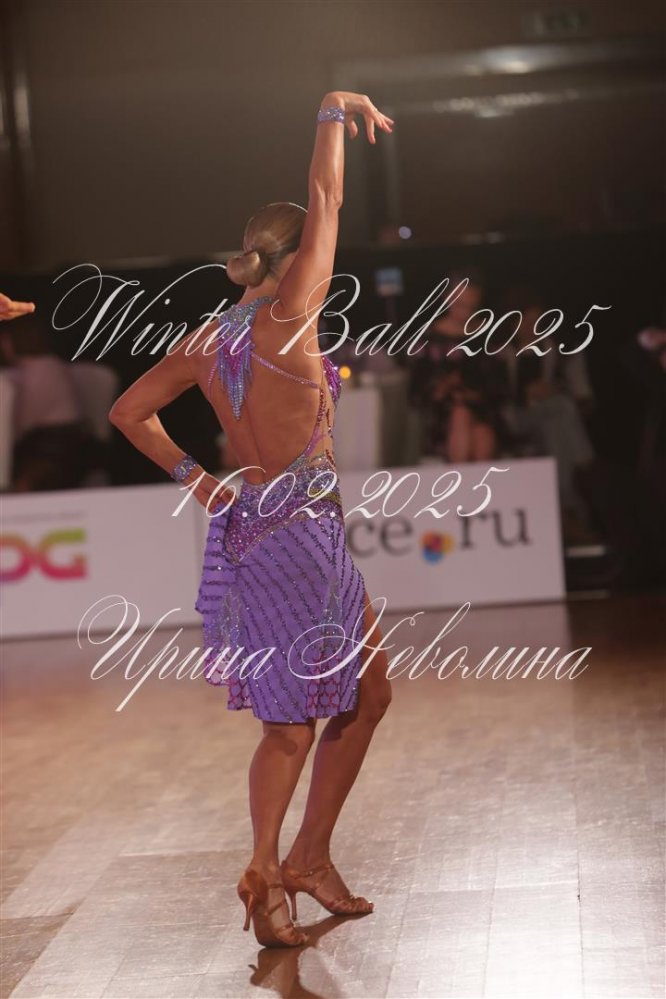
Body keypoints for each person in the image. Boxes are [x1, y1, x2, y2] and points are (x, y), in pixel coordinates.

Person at [108, 91, 395, 949]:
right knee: (308, 718)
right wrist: (333, 111)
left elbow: (128, 412)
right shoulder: (294, 309)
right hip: (303, 530)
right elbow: (329, 196)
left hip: (255, 526)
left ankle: (301, 859)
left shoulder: (208, 338)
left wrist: (201, 483)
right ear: (297, 254)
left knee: (349, 698)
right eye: (315, 245)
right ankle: (271, 870)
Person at [409, 268, 505, 462]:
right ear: (447, 298)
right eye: (460, 304)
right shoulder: (428, 339)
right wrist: (443, 388)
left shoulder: (489, 337)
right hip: (442, 416)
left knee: (482, 434)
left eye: (471, 306)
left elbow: (501, 386)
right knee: (462, 415)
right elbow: (416, 392)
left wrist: (471, 393)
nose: (465, 312)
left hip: (483, 412)